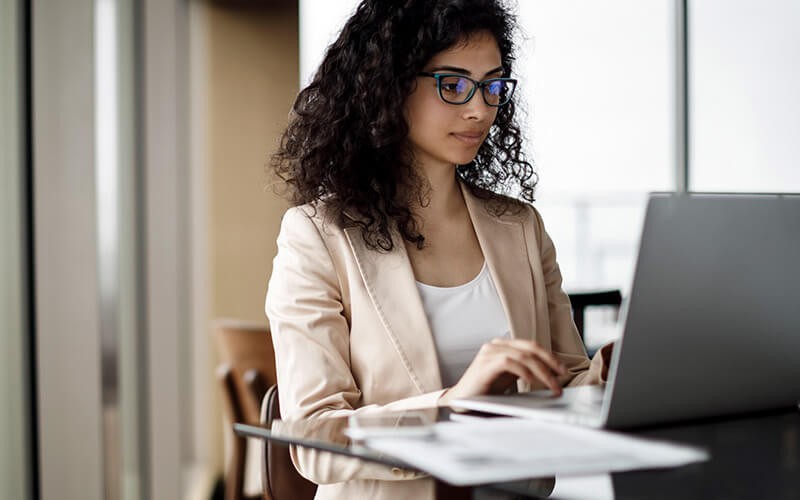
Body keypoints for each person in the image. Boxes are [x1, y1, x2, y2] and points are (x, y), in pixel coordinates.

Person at [266, 0, 612, 497]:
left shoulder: (521, 227)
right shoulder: (317, 235)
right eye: (453, 85)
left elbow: (566, 385)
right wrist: (453, 403)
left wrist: (611, 374)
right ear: (388, 86)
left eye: (492, 86)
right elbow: (316, 440)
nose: (479, 109)